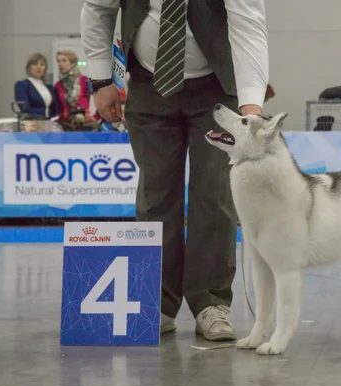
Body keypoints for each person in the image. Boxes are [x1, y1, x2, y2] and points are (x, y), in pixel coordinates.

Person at [80, 0, 268, 341]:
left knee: (214, 194)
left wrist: (251, 106)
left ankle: (210, 303)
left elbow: (248, 23)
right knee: (155, 196)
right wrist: (100, 79)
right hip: (149, 86)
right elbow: (97, 8)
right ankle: (157, 303)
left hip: (217, 85)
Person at [14, 53, 60, 119]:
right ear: (29, 67)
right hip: (32, 125)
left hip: (51, 125)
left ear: (45, 69)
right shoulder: (21, 85)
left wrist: (55, 120)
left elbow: (57, 110)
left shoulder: (50, 88)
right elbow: (26, 110)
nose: (39, 67)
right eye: (35, 64)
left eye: (42, 64)